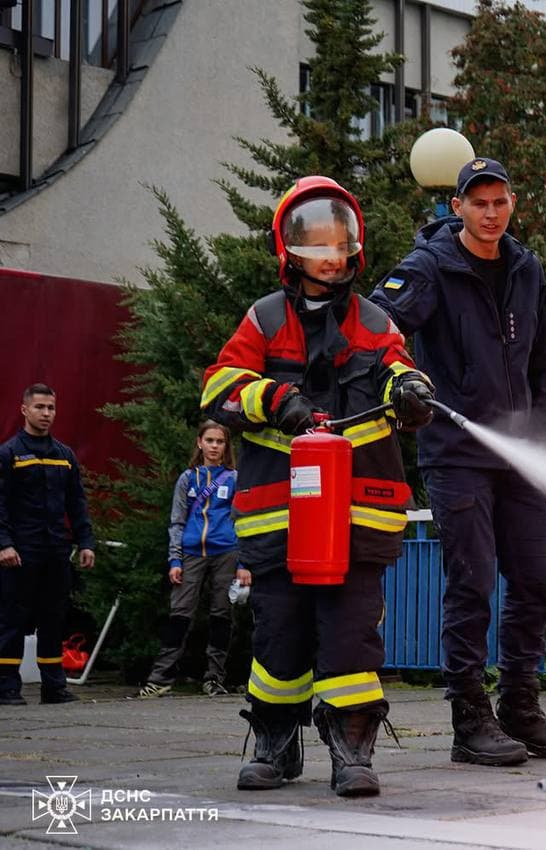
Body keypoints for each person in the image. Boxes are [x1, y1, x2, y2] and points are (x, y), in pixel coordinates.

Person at [201, 175, 435, 796]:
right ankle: (276, 745)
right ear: (290, 250)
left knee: (351, 634)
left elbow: (397, 369)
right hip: (279, 514)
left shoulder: (375, 322)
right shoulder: (264, 319)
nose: (331, 256)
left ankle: (352, 750)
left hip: (358, 517)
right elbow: (220, 387)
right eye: (318, 244)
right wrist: (275, 398)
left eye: (339, 243)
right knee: (279, 631)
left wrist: (410, 391)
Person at [370, 157, 546, 766]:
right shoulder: (429, 267)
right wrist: (400, 380)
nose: (490, 214)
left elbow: (545, 359)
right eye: (478, 203)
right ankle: (469, 719)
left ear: (512, 203)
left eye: (499, 202)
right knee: (472, 583)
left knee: (537, 580)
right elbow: (374, 326)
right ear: (457, 206)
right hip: (457, 452)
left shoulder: (525, 268)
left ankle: (520, 707)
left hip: (520, 455)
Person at [0, 383, 95, 706]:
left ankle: (54, 687)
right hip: (20, 551)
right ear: (24, 410)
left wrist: (85, 542)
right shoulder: (9, 454)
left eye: (51, 408)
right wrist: (4, 544)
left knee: (53, 617)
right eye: (39, 407)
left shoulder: (64, 456)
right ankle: (6, 686)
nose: (46, 413)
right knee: (12, 618)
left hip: (56, 549)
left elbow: (77, 503)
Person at [137, 421, 239, 698]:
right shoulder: (187, 478)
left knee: (222, 615)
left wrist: (243, 565)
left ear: (226, 446)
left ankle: (214, 678)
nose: (214, 446)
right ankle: (160, 679)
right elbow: (177, 521)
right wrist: (175, 560)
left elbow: (241, 522)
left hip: (226, 552)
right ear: (199, 443)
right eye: (210, 440)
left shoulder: (234, 479)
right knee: (180, 614)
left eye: (220, 441)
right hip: (191, 553)